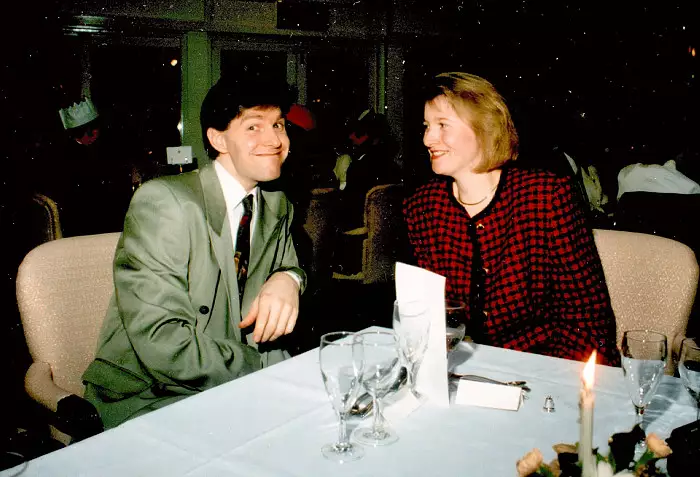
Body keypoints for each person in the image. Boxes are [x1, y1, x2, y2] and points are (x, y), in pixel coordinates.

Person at [82, 76, 307, 428]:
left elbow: (290, 263)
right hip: (154, 394)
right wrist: (261, 371)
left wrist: (289, 278)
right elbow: (163, 342)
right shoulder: (166, 203)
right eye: (254, 127)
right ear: (218, 139)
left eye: (278, 124)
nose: (275, 140)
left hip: (231, 388)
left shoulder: (276, 203)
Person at [403, 72, 619, 365]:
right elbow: (430, 315)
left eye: (442, 125)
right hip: (464, 370)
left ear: (484, 128)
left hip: (544, 369)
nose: (428, 138)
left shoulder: (546, 197)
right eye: (427, 126)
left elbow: (588, 319)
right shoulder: (423, 207)